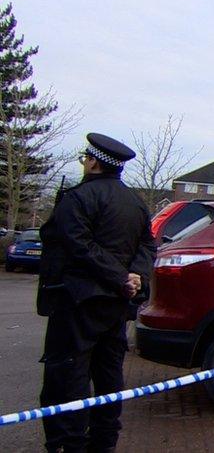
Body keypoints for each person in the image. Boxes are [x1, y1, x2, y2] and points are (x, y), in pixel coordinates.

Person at [36, 133, 155, 453]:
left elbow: (79, 246)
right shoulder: (135, 203)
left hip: (78, 301)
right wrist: (136, 278)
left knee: (68, 375)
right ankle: (104, 442)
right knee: (108, 374)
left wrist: (122, 278)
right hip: (116, 304)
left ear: (93, 162)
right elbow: (147, 245)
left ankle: (69, 444)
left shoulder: (78, 198)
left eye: (84, 159)